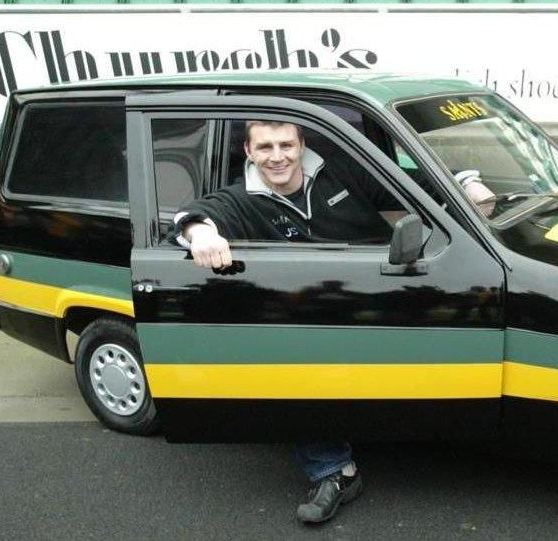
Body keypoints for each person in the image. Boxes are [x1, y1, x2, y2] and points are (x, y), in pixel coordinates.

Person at [173, 119, 495, 524]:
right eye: (266, 147)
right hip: (314, 311)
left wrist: (465, 184)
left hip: (387, 291)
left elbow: (415, 183)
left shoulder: (341, 169)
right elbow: (196, 216)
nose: (277, 157)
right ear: (249, 152)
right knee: (294, 365)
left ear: (301, 143)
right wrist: (200, 233)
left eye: (286, 144)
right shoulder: (240, 199)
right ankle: (334, 471)